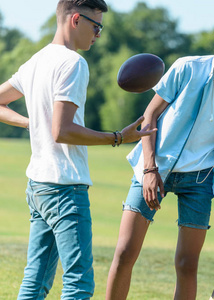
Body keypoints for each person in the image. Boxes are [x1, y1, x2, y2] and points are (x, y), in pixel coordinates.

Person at [0, 1, 156, 298]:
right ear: (76, 20)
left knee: (34, 282)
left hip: (38, 187)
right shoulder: (73, 63)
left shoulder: (36, 60)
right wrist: (117, 137)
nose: (98, 34)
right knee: (78, 284)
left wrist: (32, 123)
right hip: (65, 188)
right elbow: (63, 131)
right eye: (96, 26)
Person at [106, 11, 214, 300]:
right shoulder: (186, 68)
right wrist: (150, 169)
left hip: (200, 181)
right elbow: (149, 116)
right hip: (154, 168)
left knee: (187, 265)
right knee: (125, 251)